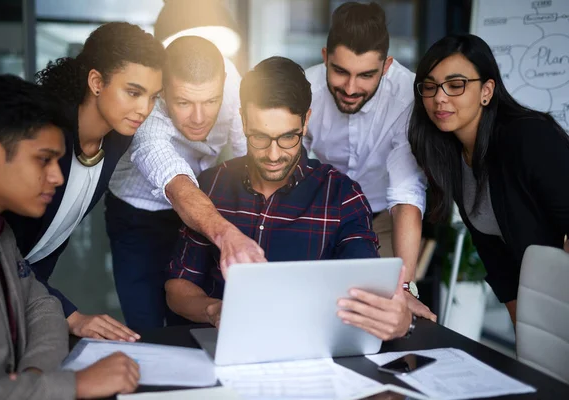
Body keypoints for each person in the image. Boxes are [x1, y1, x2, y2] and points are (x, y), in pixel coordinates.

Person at [165, 56, 415, 341]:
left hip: (312, 351)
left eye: (287, 137)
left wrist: (400, 318)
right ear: (243, 120)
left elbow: (368, 293)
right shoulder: (210, 187)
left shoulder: (343, 197)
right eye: (259, 137)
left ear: (306, 121)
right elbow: (178, 288)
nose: (273, 155)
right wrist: (216, 310)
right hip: (224, 345)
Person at [0, 75, 140, 400]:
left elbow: (42, 307)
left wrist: (33, 383)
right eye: (43, 159)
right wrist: (73, 385)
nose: (58, 176)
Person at [4, 22, 165, 341]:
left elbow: (48, 243)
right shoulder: (36, 139)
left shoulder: (117, 141)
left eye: (153, 97)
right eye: (133, 92)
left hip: (23, 302)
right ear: (96, 81)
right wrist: (69, 315)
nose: (144, 109)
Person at [408, 33, 569, 325]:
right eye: (430, 87)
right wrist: (527, 331)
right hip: (541, 304)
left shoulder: (529, 137)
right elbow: (495, 256)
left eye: (456, 85)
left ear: (487, 90)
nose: (439, 97)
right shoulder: (453, 157)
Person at [106, 36, 265, 331]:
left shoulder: (230, 85)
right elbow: (178, 186)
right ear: (164, 90)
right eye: (184, 103)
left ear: (224, 83)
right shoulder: (148, 114)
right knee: (148, 327)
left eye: (210, 101)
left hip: (204, 215)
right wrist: (228, 236)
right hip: (138, 218)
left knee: (197, 319)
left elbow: (252, 155)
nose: (199, 117)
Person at [303, 2, 434, 321]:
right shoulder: (306, 89)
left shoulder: (408, 97)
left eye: (366, 75)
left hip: (384, 218)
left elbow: (406, 196)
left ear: (387, 66)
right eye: (340, 71)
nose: (350, 88)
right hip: (322, 212)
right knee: (315, 311)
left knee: (383, 315)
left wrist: (406, 289)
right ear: (325, 58)